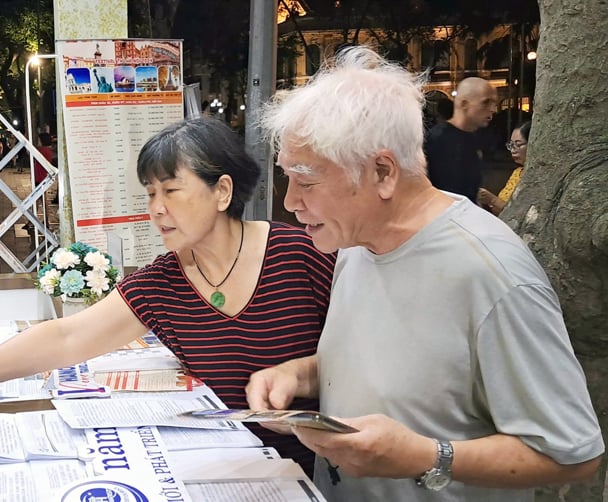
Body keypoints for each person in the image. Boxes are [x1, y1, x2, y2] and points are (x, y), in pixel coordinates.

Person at [0, 118, 336, 473]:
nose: (157, 209)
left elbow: (366, 360)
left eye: (172, 191)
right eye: (150, 193)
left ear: (222, 191)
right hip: (226, 470)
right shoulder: (165, 283)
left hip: (319, 473)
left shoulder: (299, 254)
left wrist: (302, 376)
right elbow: (67, 337)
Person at [248, 46, 603, 501]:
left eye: (307, 181)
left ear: (382, 172)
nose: (291, 202)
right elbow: (409, 368)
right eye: (286, 179)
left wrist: (427, 456)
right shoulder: (356, 241)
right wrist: (302, 375)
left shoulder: (491, 274)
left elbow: (572, 453)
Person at [424, 77, 498, 204]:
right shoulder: (437, 140)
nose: (493, 109)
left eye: (494, 103)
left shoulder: (477, 137)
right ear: (464, 104)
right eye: (486, 102)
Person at [479, 120, 531, 215]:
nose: (513, 150)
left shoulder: (534, 177)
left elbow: (520, 214)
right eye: (511, 145)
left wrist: (492, 200)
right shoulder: (517, 172)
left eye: (518, 145)